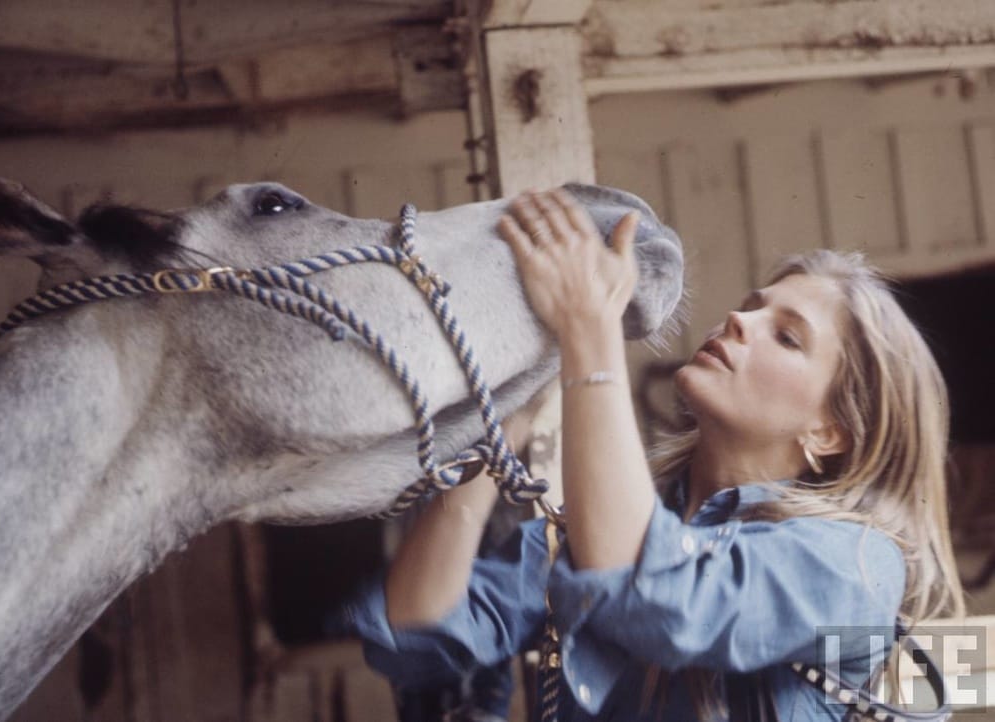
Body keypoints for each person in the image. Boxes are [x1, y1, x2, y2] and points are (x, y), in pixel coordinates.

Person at [339, 188, 965, 721]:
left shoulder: (853, 562)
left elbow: (664, 596)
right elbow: (417, 635)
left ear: (830, 432)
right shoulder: (576, 536)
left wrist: (591, 330)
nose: (739, 321)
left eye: (788, 337)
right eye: (752, 306)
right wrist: (488, 441)